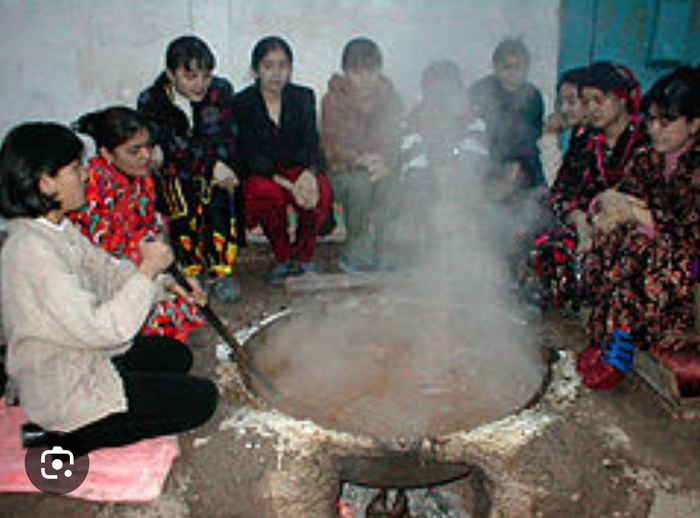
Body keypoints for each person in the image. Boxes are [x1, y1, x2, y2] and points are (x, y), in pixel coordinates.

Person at [0, 122, 218, 458]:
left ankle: (94, 414)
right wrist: (147, 270)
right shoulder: (31, 250)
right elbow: (106, 329)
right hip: (62, 386)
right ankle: (57, 438)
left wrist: (167, 285)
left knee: (176, 355)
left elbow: (108, 274)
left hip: (86, 355)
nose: (86, 175)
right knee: (202, 400)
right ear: (46, 182)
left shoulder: (57, 228)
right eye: (76, 169)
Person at [577, 67, 700, 393]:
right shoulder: (647, 157)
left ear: (694, 123)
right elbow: (622, 197)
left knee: (639, 246)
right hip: (652, 242)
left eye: (665, 122)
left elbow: (688, 231)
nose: (654, 129)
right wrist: (607, 203)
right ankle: (605, 333)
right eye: (651, 120)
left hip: (688, 256)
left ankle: (622, 340)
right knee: (609, 237)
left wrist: (638, 214)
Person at [69, 106, 206, 341]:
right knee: (159, 317)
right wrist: (154, 272)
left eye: (148, 146)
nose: (145, 155)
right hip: (105, 279)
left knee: (188, 298)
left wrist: (174, 276)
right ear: (107, 153)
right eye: (134, 150)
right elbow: (104, 256)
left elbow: (150, 230)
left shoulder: (142, 177)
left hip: (143, 266)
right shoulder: (90, 187)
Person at [525, 61, 646, 310]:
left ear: (621, 99)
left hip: (631, 225)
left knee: (615, 254)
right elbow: (564, 190)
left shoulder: (644, 140)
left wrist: (604, 221)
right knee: (547, 248)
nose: (591, 109)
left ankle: (613, 323)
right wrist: (581, 224)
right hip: (586, 223)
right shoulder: (585, 137)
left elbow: (643, 197)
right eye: (586, 101)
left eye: (599, 100)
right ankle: (564, 317)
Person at [137, 35, 240, 302]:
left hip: (213, 168)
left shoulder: (220, 91)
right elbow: (168, 148)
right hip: (176, 174)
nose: (200, 84)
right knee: (179, 195)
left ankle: (220, 270)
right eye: (191, 76)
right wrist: (208, 164)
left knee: (218, 193)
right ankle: (191, 269)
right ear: (171, 74)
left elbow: (226, 138)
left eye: (206, 76)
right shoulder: (152, 100)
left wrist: (211, 164)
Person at [232, 35, 332, 283]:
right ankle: (283, 257)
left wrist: (309, 173)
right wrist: (285, 184)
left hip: (297, 167)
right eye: (268, 66)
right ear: (256, 69)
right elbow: (247, 154)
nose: (276, 74)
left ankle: (303, 256)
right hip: (263, 173)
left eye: (283, 66)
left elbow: (312, 143)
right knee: (264, 193)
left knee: (321, 190)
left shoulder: (302, 97)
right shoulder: (243, 103)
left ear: (290, 68)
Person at [321, 37, 404, 274]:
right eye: (357, 72)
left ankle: (386, 250)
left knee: (391, 184)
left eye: (371, 71)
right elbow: (330, 147)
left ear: (379, 70)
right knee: (360, 184)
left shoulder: (391, 98)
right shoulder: (332, 100)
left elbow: (396, 140)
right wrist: (359, 159)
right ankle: (356, 251)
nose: (365, 79)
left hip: (378, 168)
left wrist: (385, 161)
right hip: (342, 172)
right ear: (345, 72)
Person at [468, 37, 545, 192]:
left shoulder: (532, 96)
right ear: (495, 67)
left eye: (519, 68)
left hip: (524, 165)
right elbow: (469, 127)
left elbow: (531, 138)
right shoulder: (481, 91)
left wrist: (516, 167)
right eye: (507, 67)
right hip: (486, 163)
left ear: (527, 69)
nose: (513, 73)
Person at [538, 66, 588, 186]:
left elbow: (558, 184)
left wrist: (549, 136)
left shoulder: (596, 140)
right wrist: (549, 134)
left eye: (572, 102)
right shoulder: (580, 134)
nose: (563, 109)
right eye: (560, 102)